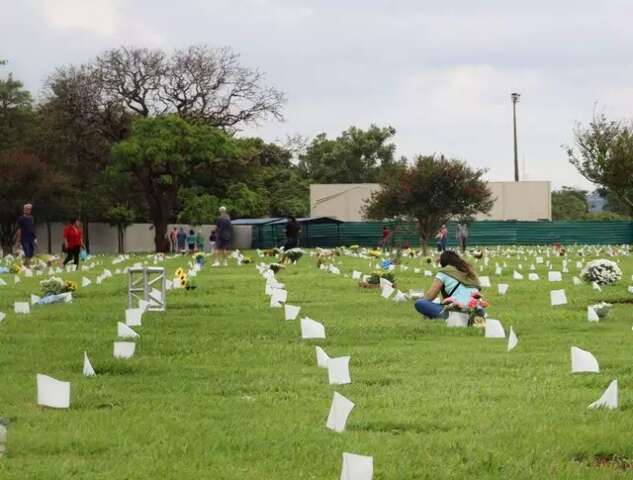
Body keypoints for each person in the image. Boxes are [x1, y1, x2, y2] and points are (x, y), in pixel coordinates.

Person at [414, 250, 481, 319]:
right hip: (476, 310)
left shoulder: (444, 272)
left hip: (457, 310)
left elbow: (430, 296)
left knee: (419, 303)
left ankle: (445, 316)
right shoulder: (470, 272)